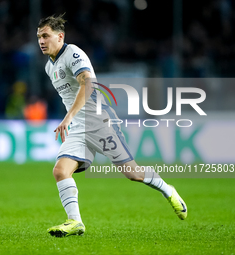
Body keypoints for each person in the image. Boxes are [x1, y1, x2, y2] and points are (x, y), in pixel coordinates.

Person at [37, 14, 187, 238]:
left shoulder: (73, 54)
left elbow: (87, 83)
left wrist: (68, 117)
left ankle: (168, 189)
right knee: (60, 171)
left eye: (46, 36)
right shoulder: (50, 66)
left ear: (60, 37)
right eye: (39, 36)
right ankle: (75, 222)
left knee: (132, 173)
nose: (41, 41)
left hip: (100, 122)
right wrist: (72, 119)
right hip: (79, 126)